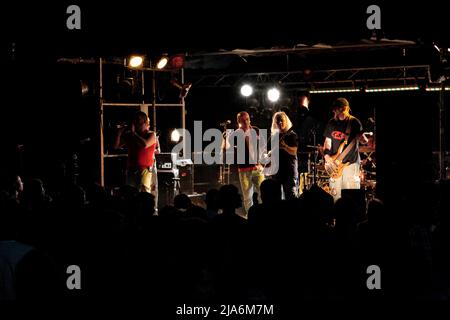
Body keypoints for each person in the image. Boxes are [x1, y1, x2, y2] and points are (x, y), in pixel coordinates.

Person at [323, 98, 369, 201]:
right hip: (335, 165)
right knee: (335, 196)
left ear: (344, 109)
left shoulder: (354, 122)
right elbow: (327, 141)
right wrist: (326, 156)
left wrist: (365, 140)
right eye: (334, 109)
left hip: (351, 163)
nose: (334, 112)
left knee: (350, 197)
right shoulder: (331, 123)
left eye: (337, 109)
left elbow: (362, 140)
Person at [225, 111, 265, 215]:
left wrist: (262, 163)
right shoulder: (235, 134)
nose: (246, 122)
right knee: (248, 197)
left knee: (263, 194)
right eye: (243, 120)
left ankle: (264, 215)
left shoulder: (256, 130)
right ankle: (250, 216)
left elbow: (263, 147)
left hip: (257, 169)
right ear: (239, 121)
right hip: (244, 170)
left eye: (247, 119)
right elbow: (227, 147)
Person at [114, 111, 157, 193]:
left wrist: (134, 134)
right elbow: (116, 146)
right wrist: (119, 134)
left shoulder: (151, 134)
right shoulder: (131, 136)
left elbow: (145, 145)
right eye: (135, 120)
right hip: (131, 170)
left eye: (138, 120)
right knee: (130, 194)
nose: (136, 122)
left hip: (144, 171)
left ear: (144, 122)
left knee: (143, 195)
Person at [291, 91, 323, 195]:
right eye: (300, 101)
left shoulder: (311, 119)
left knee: (306, 177)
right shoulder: (294, 118)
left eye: (303, 101)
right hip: (295, 153)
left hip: (308, 153)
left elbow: (317, 135)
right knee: (296, 179)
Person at [269, 111, 298, 200]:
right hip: (276, 171)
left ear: (286, 121)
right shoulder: (273, 136)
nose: (280, 123)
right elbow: (268, 151)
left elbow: (294, 152)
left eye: (282, 120)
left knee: (290, 195)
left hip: (289, 170)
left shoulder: (291, 135)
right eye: (278, 121)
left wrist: (284, 146)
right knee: (275, 196)